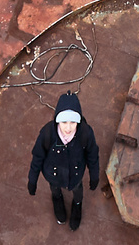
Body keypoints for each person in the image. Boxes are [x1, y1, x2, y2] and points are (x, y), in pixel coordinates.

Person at [28, 92, 101, 229]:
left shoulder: (85, 133)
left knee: (78, 191)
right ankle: (57, 199)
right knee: (55, 189)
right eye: (64, 122)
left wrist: (94, 176)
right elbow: (37, 156)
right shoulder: (47, 133)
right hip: (53, 175)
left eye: (73, 122)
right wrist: (32, 179)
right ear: (57, 120)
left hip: (75, 175)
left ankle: (77, 205)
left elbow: (92, 156)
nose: (68, 128)